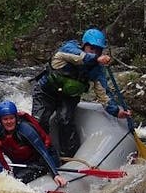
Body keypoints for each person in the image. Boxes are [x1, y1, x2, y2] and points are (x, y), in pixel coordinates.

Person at [32, 28, 132, 157]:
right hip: (46, 93)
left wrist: (116, 111)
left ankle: (68, 157)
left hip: (68, 97)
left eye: (98, 50)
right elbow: (81, 58)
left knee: (65, 120)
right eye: (92, 48)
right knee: (40, 122)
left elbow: (103, 92)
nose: (95, 52)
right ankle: (38, 156)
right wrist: (95, 59)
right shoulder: (68, 49)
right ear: (84, 45)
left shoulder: (97, 69)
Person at [0, 101, 67, 187]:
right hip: (22, 163)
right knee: (13, 177)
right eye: (5, 119)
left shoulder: (26, 130)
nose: (9, 122)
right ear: (0, 121)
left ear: (16, 118)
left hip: (42, 160)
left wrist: (55, 174)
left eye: (11, 118)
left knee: (19, 179)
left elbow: (42, 152)